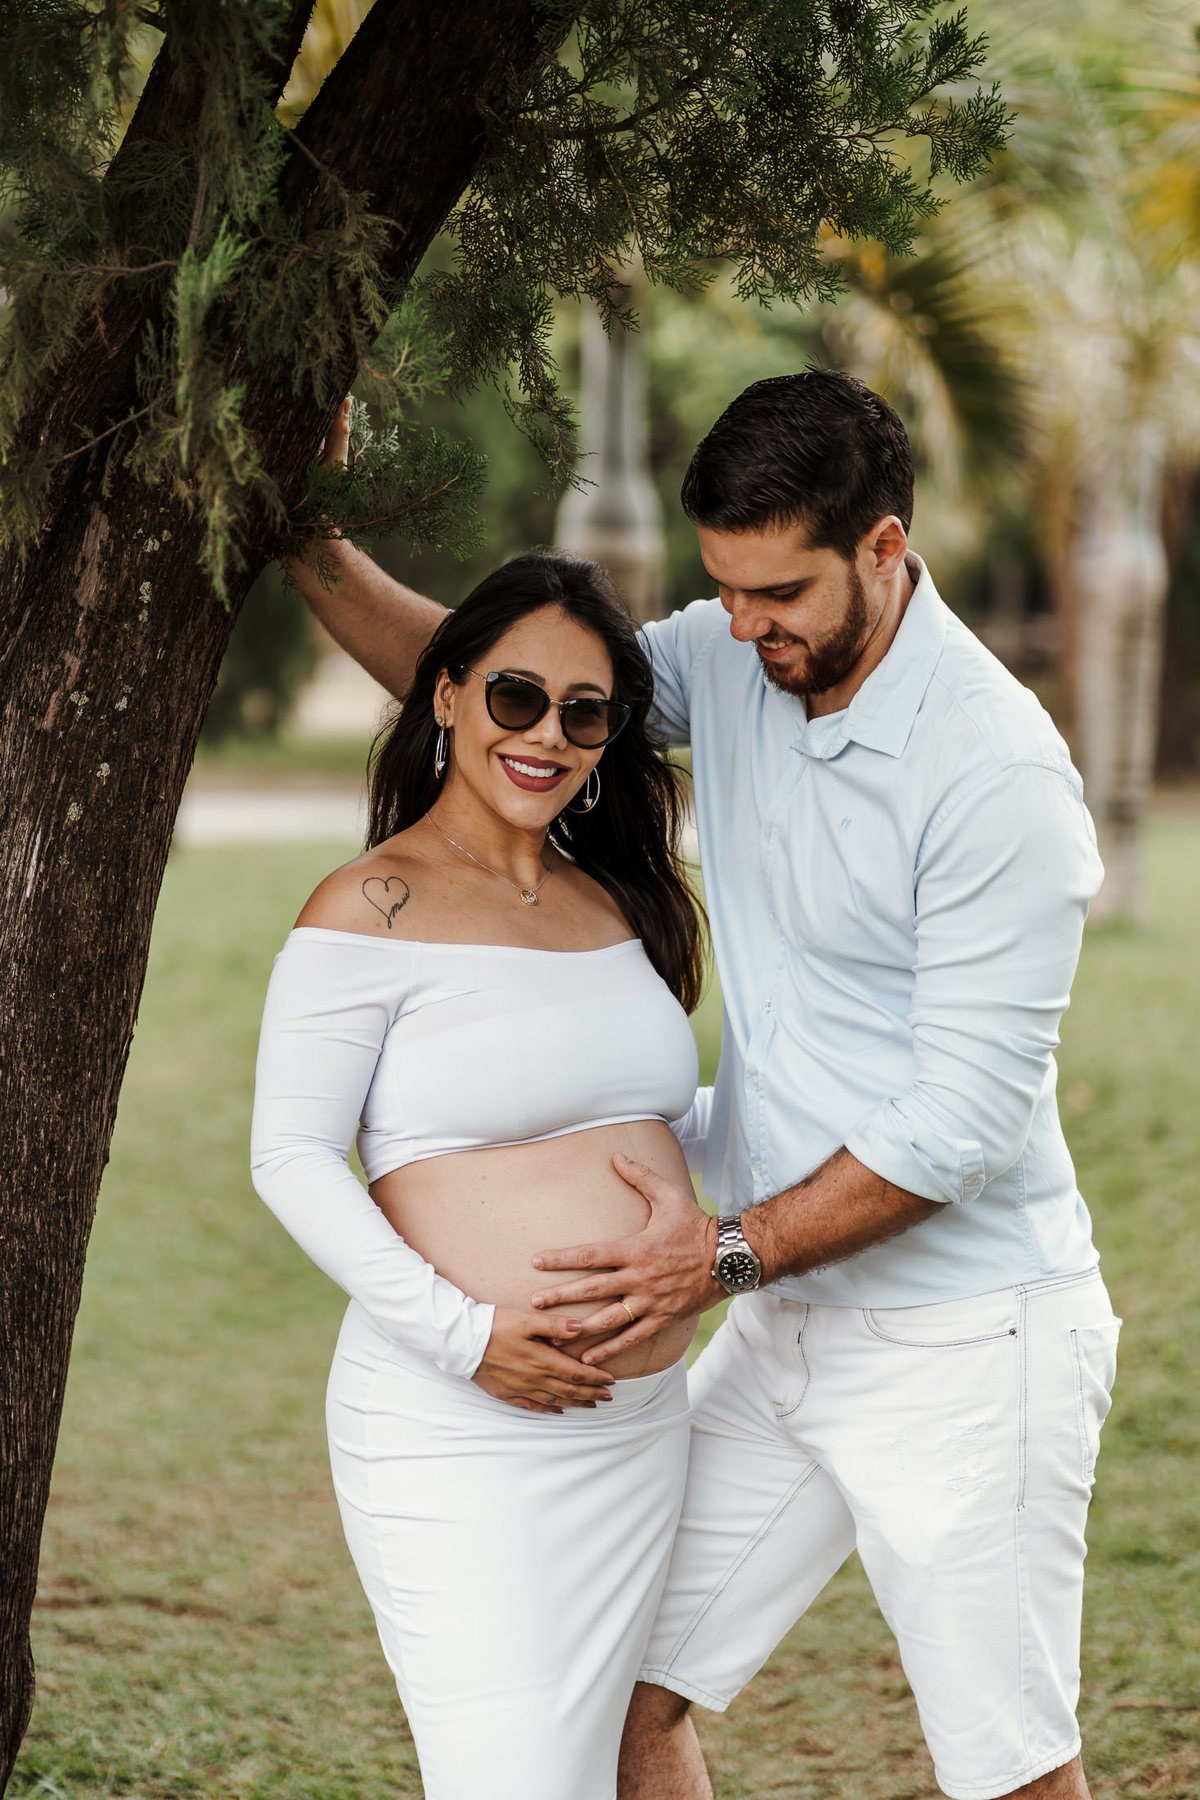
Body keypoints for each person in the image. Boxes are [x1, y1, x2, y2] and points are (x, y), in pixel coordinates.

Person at [291, 371, 1120, 1800]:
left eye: (777, 593)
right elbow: (504, 690)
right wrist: (308, 540)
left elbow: (963, 1125)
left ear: (884, 548)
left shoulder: (997, 773)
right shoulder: (745, 660)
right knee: (624, 1694)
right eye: (723, 590)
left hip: (969, 1345)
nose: (740, 627)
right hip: (786, 1328)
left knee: (1008, 1770)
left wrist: (719, 1257)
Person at [249, 552, 714, 1800]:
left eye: (583, 712)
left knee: (610, 1757)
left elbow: (653, 1119)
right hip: (460, 1430)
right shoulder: (370, 905)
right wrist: (465, 1338)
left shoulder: (613, 900)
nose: (546, 734)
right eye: (516, 696)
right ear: (447, 694)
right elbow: (291, 1155)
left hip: (640, 1433)